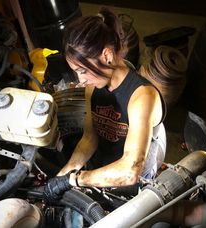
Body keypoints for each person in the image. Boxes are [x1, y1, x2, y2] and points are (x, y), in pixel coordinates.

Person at [44, 7, 166, 201]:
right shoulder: (93, 86)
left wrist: (75, 180)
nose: (80, 79)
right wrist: (64, 174)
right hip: (99, 171)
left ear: (107, 56)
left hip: (132, 186)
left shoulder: (142, 97)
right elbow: (90, 137)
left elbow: (130, 171)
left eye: (82, 70)